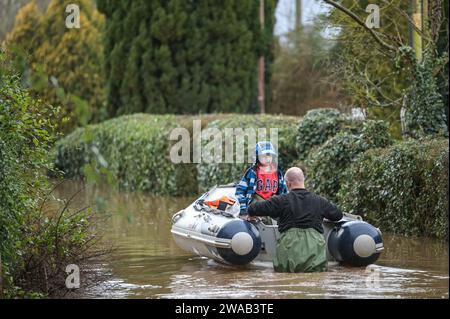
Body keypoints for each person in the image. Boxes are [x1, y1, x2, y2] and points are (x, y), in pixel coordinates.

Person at [247, 167, 343, 273]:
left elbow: (253, 209)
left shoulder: (280, 201)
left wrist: (252, 214)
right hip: (314, 256)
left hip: (289, 253)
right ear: (303, 180)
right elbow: (338, 215)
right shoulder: (320, 201)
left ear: (288, 183)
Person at [235, 141, 288, 218]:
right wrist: (243, 208)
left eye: (269, 156)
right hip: (257, 205)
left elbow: (284, 192)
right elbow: (240, 190)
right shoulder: (252, 172)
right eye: (264, 156)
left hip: (272, 204)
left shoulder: (277, 173)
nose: (267, 159)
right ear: (257, 157)